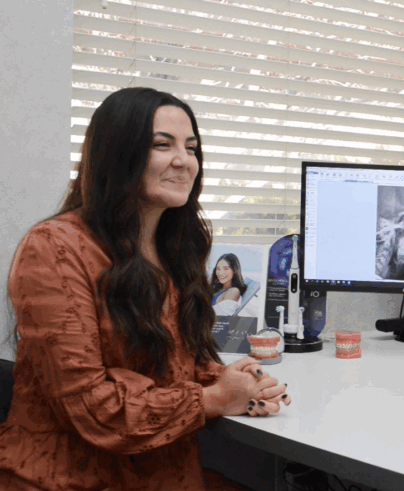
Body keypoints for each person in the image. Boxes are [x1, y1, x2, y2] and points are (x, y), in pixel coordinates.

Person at [0, 87, 291, 490]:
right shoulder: (54, 248)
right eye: (161, 145)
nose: (183, 161)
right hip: (68, 479)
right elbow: (91, 406)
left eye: (191, 148)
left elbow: (170, 362)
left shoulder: (176, 248)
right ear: (117, 155)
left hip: (163, 474)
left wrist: (238, 380)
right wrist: (213, 398)